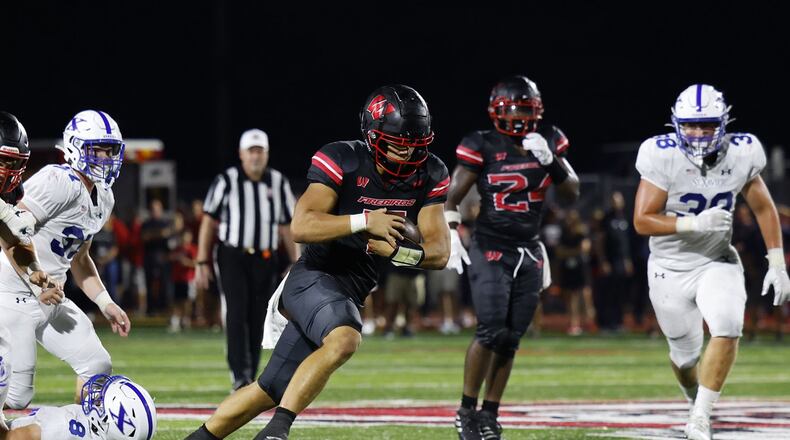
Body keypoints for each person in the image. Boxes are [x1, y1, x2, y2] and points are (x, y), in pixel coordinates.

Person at [185, 84, 450, 440]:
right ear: (373, 137)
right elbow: (301, 225)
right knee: (345, 339)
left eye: (416, 144)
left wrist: (400, 252)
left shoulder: (430, 172)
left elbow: (439, 252)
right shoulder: (344, 158)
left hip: (349, 292)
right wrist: (363, 221)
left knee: (268, 388)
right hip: (313, 276)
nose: (409, 153)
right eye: (399, 143)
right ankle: (277, 432)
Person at [633, 84, 790, 440]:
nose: (699, 133)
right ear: (677, 124)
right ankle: (693, 401)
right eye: (691, 125)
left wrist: (777, 263)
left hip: (716, 258)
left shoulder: (742, 151)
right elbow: (642, 220)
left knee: (727, 324)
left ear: (723, 123)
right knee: (685, 357)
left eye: (707, 125)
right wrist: (692, 223)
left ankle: (701, 416)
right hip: (668, 266)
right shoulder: (661, 155)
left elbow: (764, 207)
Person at [444, 76, 579, 440]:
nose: (520, 117)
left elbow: (571, 195)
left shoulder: (549, 140)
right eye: (513, 110)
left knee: (511, 338)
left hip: (529, 248)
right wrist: (452, 230)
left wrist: (551, 161)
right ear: (497, 112)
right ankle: (466, 410)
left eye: (525, 109)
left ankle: (490, 413)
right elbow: (451, 196)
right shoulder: (482, 144)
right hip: (491, 246)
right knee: (490, 329)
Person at [0, 110, 131, 410]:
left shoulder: (105, 196)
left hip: (51, 294)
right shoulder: (59, 181)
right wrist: (35, 280)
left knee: (97, 366)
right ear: (76, 147)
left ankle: (81, 429)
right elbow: (10, 231)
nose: (107, 157)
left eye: (111, 150)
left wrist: (105, 302)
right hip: (13, 293)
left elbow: (80, 258)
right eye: (99, 149)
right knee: (16, 397)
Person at [195, 128, 300, 391]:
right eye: (251, 151)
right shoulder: (227, 180)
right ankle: (239, 375)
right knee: (236, 313)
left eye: (259, 151)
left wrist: (296, 260)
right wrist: (201, 260)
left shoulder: (278, 182)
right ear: (241, 154)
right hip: (233, 255)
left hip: (266, 257)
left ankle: (250, 374)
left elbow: (287, 225)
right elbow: (209, 220)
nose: (255, 156)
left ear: (266, 154)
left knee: (259, 317)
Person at [0, 368, 156, 440]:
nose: (96, 399)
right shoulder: (111, 435)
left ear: (107, 422)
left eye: (100, 403)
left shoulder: (60, 427)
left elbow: (10, 437)